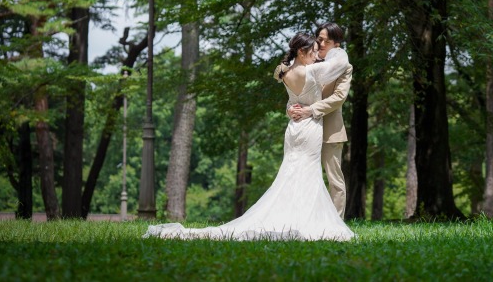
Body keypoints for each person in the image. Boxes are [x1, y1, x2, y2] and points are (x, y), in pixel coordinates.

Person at [143, 32, 353, 241]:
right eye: (313, 51)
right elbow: (341, 63)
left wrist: (290, 106)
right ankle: (307, 221)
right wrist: (337, 48)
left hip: (293, 129)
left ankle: (292, 217)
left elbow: (293, 97)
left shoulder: (284, 73)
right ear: (301, 51)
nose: (317, 55)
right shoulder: (314, 72)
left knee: (290, 173)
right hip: (309, 128)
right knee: (308, 174)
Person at [283, 22, 352, 219]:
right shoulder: (308, 62)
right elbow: (295, 94)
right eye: (319, 39)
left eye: (326, 41)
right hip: (306, 131)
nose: (320, 43)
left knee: (334, 179)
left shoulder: (343, 67)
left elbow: (339, 97)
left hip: (330, 129)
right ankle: (303, 219)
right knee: (302, 176)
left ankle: (335, 222)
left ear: (336, 45)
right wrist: (290, 109)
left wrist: (310, 110)